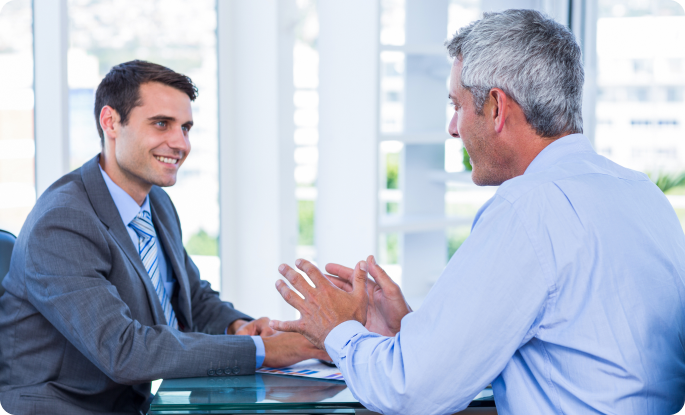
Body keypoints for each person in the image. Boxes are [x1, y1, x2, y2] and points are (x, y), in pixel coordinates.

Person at [268, 9, 685, 415]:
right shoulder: (643, 194)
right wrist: (411, 332)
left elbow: (409, 393)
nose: (453, 127)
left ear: (497, 108)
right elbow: (578, 352)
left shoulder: (528, 209)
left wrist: (339, 330)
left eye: (458, 105)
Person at [0, 60, 327, 415]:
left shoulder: (155, 201)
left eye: (185, 127)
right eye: (161, 124)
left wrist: (240, 327)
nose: (180, 143)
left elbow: (190, 299)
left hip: (135, 405)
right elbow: (123, 351)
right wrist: (269, 351)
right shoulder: (63, 223)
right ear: (110, 122)